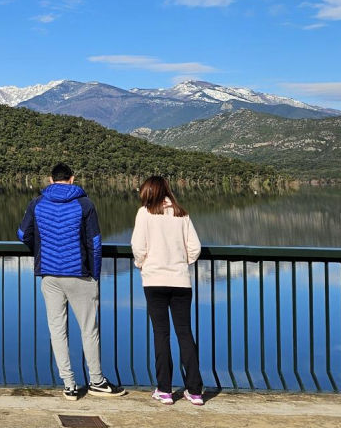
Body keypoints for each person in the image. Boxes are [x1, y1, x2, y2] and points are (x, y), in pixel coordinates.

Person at [18, 163, 125, 399]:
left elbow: (23, 234)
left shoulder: (37, 203)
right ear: (72, 178)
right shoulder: (84, 204)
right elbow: (95, 243)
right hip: (79, 275)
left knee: (57, 330)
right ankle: (96, 380)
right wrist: (94, 275)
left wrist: (39, 251)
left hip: (50, 275)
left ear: (50, 179)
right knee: (89, 330)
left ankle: (69, 385)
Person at [132, 175, 204, 405]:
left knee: (161, 334)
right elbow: (195, 248)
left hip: (154, 281)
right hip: (180, 281)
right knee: (184, 333)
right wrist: (182, 263)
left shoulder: (144, 214)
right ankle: (195, 391)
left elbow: (138, 247)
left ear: (149, 192)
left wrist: (142, 263)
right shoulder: (181, 214)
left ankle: (164, 389)